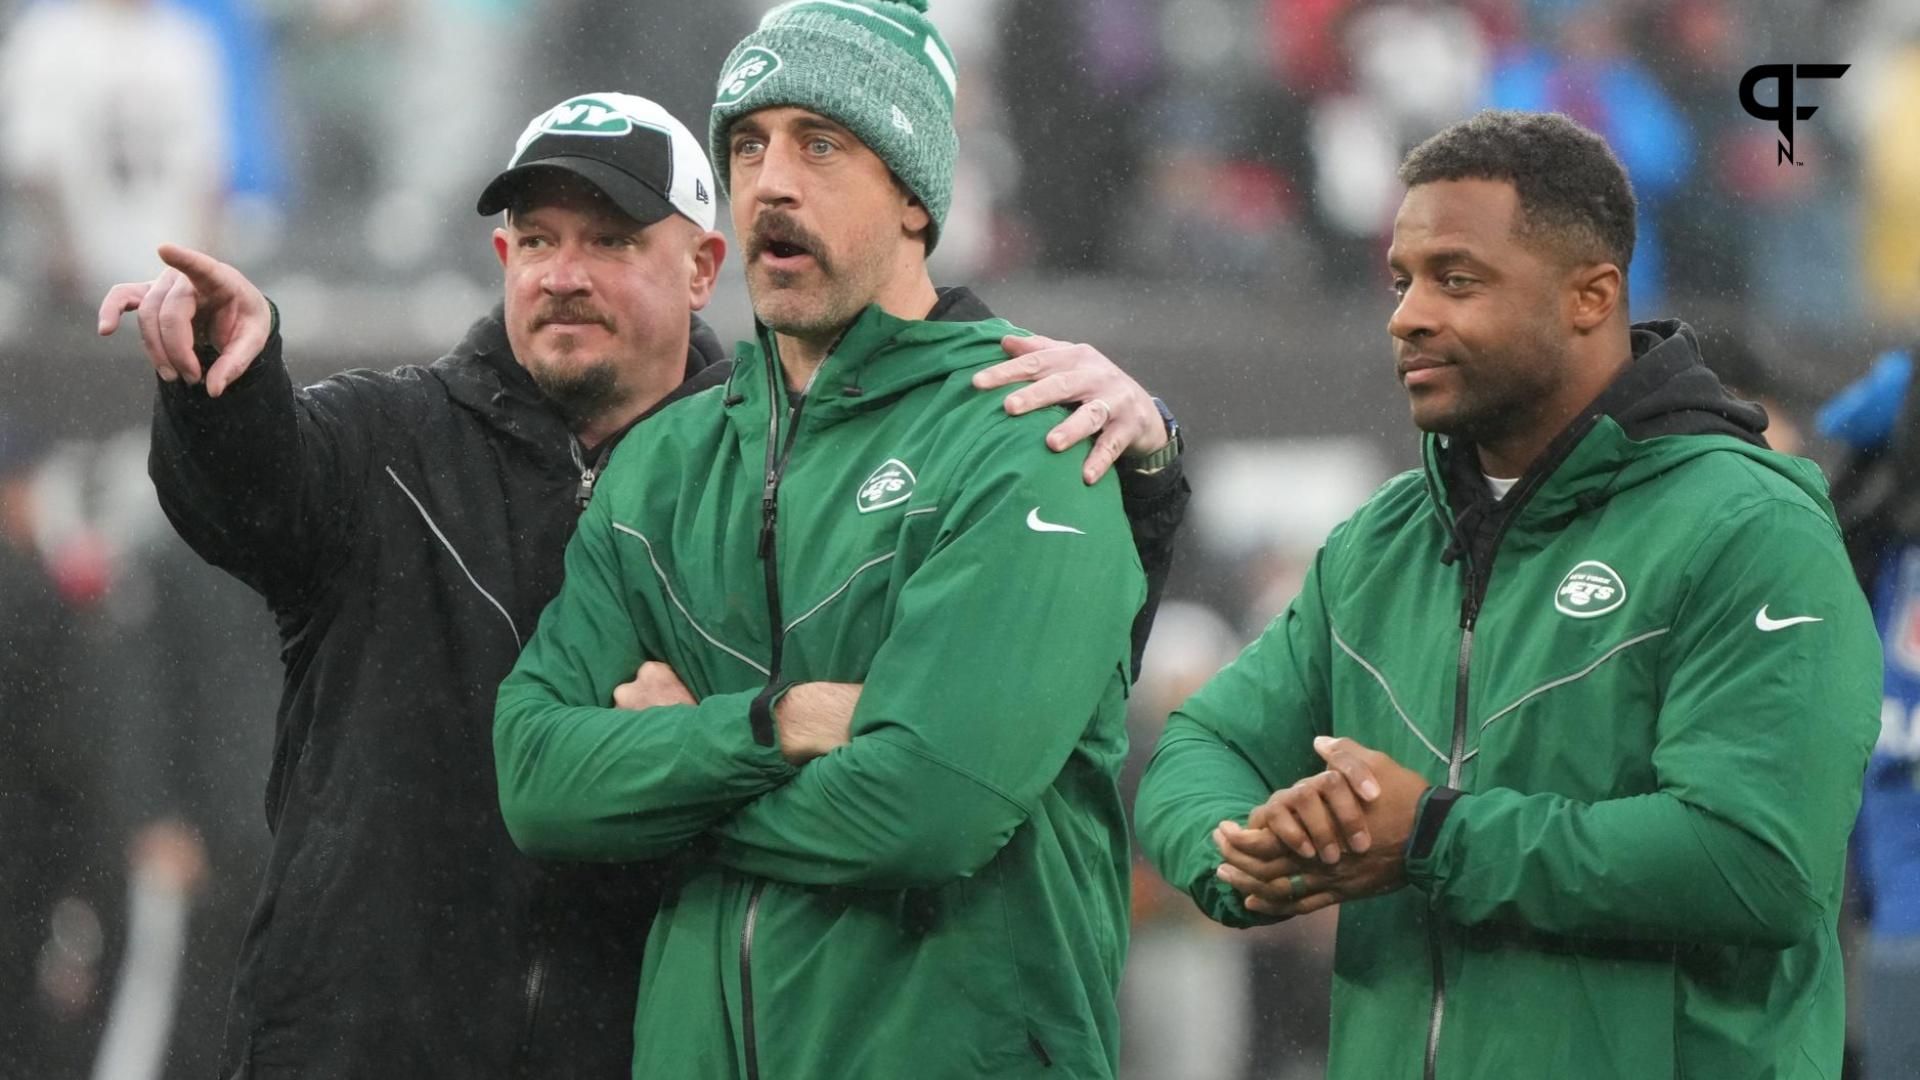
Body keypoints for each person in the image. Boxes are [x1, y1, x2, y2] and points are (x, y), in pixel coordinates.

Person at [97, 90, 1188, 1077]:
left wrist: (1140, 480)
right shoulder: (390, 438)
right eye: (536, 241)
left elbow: (990, 719)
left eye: (610, 241)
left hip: (629, 1042)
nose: (563, 273)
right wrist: (219, 399)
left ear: (704, 268)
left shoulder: (766, 476)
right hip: (368, 1042)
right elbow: (252, 498)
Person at [1134, 109, 1880, 1079]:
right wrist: (1244, 851)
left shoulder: (1749, 527)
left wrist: (1434, 836)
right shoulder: (1383, 539)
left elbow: (1757, 864)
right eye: (1401, 281)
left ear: (1590, 296)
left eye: (1458, 279)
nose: (1407, 315)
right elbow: (1206, 744)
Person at [494, 5, 1162, 1076]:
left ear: (913, 195)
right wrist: (777, 725)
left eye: (821, 143)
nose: (770, 182)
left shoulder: (1032, 438)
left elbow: (927, 812)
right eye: (747, 145)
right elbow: (535, 779)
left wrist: (671, 792)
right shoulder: (661, 467)